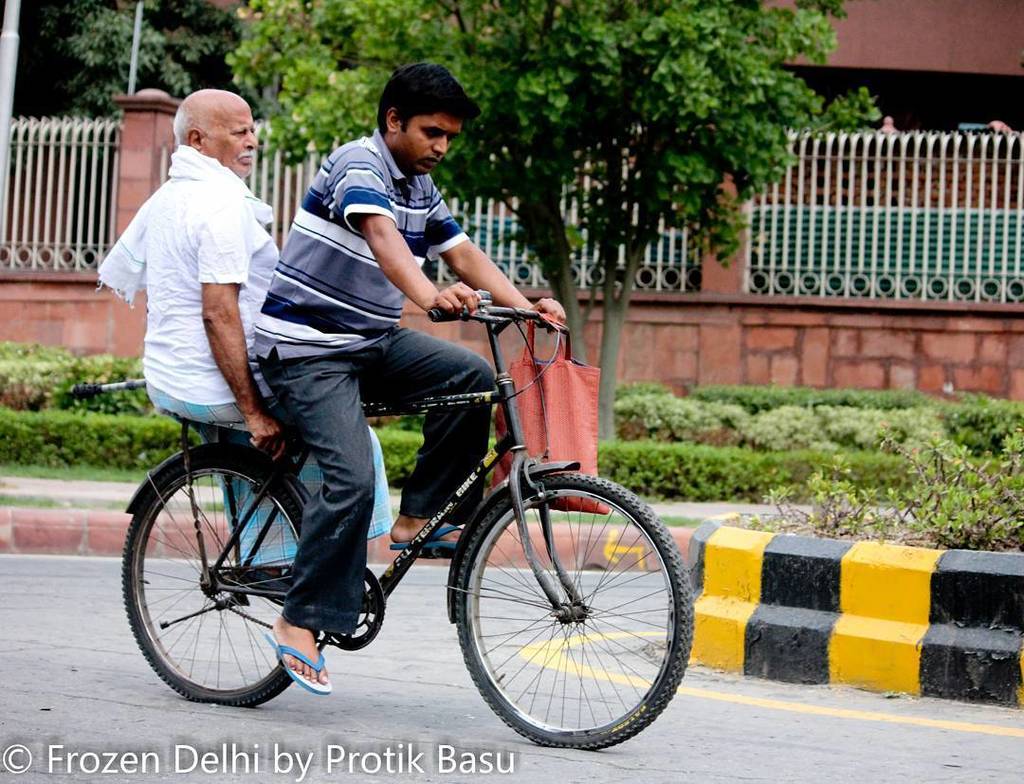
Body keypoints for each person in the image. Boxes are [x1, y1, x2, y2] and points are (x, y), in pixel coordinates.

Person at [254, 62, 565, 693]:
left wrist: (526, 308)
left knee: (470, 377)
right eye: (432, 132)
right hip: (307, 351)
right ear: (394, 120)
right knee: (353, 477)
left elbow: (463, 253)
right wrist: (429, 296)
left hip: (369, 343)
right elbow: (381, 236)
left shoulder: (419, 184)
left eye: (450, 137)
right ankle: (297, 620)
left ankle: (418, 517)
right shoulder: (359, 164)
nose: (442, 147)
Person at [97, 89, 391, 563]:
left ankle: (272, 560)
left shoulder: (171, 195)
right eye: (239, 132)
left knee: (295, 448)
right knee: (353, 442)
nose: (252, 140)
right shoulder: (220, 204)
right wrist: (254, 413)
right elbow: (218, 313)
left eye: (252, 130)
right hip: (210, 380)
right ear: (198, 139)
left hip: (172, 375)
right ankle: (321, 570)